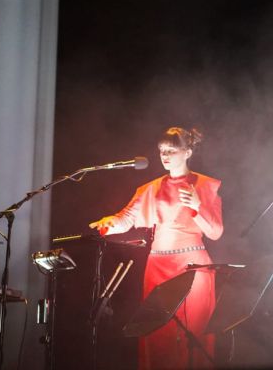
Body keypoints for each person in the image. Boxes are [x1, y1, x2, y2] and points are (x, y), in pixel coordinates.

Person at [89, 127, 223, 369]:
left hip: (193, 269)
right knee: (157, 336)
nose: (165, 155)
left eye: (172, 150)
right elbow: (125, 219)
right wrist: (109, 223)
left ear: (188, 152)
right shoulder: (150, 188)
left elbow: (215, 232)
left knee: (192, 335)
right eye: (162, 151)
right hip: (158, 267)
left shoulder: (203, 185)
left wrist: (197, 207)